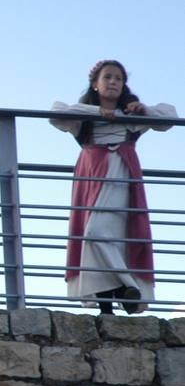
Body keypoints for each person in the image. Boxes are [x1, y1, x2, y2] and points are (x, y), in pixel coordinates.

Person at [51, 59, 176, 314]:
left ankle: (112, 302)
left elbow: (169, 117)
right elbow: (55, 112)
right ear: (95, 84)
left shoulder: (131, 118)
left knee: (118, 239)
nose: (113, 82)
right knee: (93, 234)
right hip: (93, 182)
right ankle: (123, 291)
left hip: (123, 182)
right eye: (107, 77)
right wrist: (97, 113)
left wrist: (143, 109)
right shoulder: (84, 120)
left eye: (118, 78)